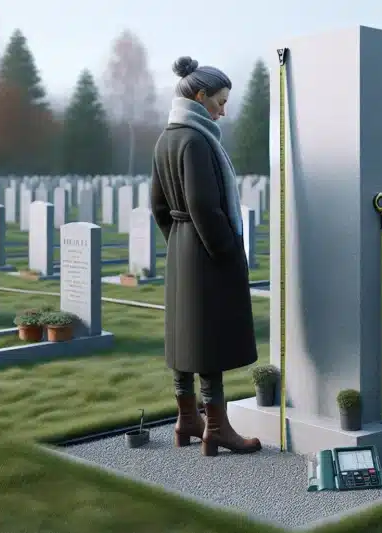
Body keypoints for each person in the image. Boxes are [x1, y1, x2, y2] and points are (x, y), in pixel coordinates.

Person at [150, 56, 261, 456]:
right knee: (208, 340)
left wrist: (178, 242)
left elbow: (159, 207)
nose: (224, 110)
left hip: (182, 246)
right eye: (220, 101)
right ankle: (216, 428)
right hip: (206, 251)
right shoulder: (197, 140)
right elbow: (203, 205)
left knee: (185, 339)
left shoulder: (167, 137)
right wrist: (227, 252)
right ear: (200, 97)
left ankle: (187, 419)